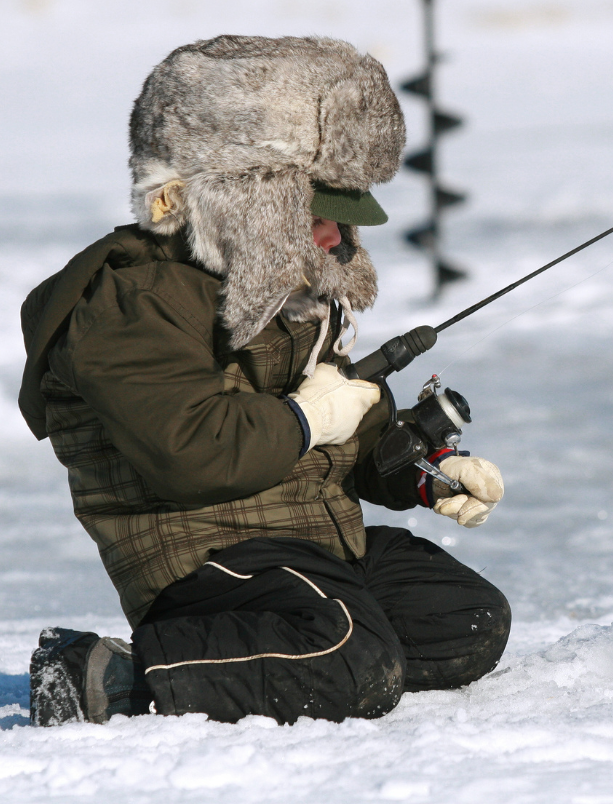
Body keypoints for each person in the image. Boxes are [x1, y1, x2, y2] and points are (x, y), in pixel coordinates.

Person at [19, 35, 510, 726]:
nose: (337, 239)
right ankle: (107, 676)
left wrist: (424, 472)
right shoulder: (134, 303)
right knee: (354, 658)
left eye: (342, 219)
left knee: (465, 620)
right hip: (204, 559)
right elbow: (191, 453)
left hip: (310, 542)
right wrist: (308, 419)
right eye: (317, 218)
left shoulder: (292, 291)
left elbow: (354, 433)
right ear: (243, 208)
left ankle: (292, 654)